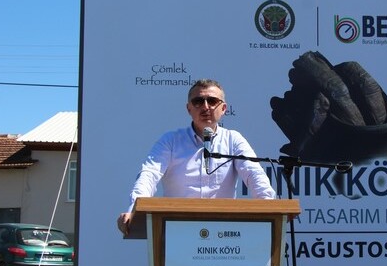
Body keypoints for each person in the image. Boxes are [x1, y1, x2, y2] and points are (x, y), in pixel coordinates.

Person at [117, 79, 276, 235]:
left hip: (224, 235)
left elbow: (254, 173)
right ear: (189, 109)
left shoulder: (233, 139)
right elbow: (149, 174)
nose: (205, 107)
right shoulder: (171, 141)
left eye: (212, 101)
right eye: (198, 101)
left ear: (224, 108)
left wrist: (270, 208)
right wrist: (134, 210)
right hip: (176, 231)